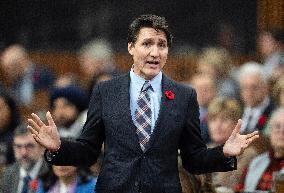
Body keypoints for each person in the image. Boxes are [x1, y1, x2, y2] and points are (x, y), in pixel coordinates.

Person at [27, 14, 259, 193]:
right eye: (147, 43)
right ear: (131, 47)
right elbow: (89, 152)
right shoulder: (105, 91)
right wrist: (59, 148)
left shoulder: (184, 95)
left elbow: (193, 158)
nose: (155, 52)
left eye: (162, 45)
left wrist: (224, 153)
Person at [206, 97, 259, 192]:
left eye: (224, 120)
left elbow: (229, 186)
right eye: (213, 120)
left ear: (236, 124)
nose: (218, 125)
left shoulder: (247, 154)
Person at [234, 108, 284, 192]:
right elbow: (240, 189)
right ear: (270, 132)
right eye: (277, 126)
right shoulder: (256, 162)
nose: (282, 131)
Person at [0, 124, 48, 193]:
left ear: (42, 148)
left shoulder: (52, 174)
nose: (23, 153)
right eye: (18, 146)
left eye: (29, 146)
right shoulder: (8, 174)